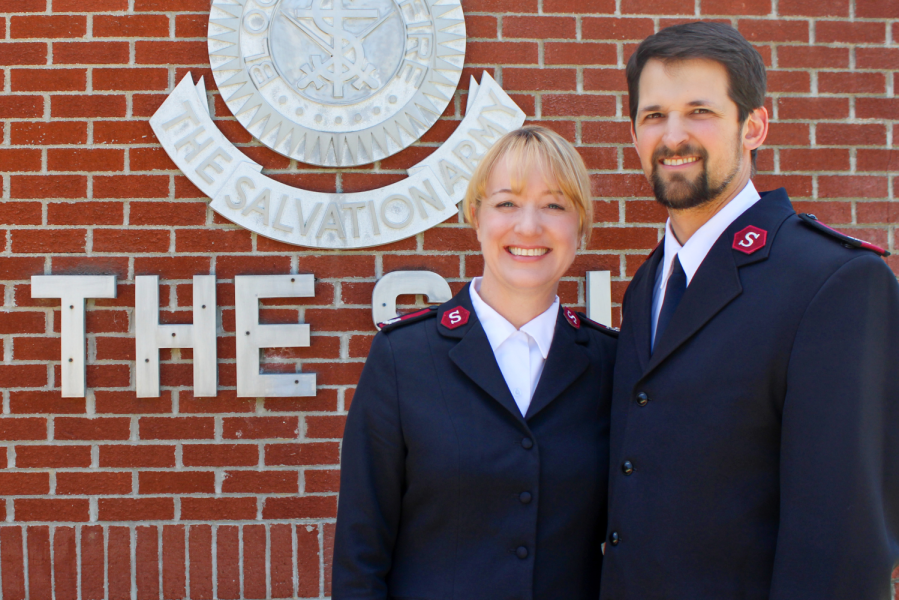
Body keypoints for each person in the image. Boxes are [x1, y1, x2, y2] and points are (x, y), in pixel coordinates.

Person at [600, 21, 899, 600]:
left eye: (700, 112)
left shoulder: (833, 281)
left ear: (754, 125)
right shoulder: (648, 285)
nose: (673, 135)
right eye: (654, 115)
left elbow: (844, 541)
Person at [332, 126, 618, 600]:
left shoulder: (609, 364)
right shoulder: (404, 357)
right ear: (476, 216)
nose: (529, 226)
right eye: (507, 203)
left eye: (554, 204)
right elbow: (361, 552)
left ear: (580, 225)